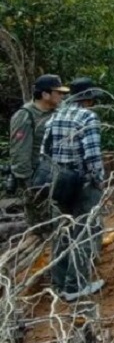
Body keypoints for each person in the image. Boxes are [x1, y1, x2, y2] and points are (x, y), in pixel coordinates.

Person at [44, 77, 106, 302]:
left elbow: (45, 151)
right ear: (88, 98)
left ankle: (59, 282)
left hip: (58, 180)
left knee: (62, 231)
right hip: (82, 183)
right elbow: (92, 155)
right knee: (85, 231)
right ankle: (76, 285)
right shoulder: (88, 117)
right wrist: (99, 180)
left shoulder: (56, 116)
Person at [9, 75, 70, 233]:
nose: (62, 96)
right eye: (58, 92)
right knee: (42, 227)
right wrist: (28, 185)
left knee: (63, 222)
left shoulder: (59, 111)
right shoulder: (25, 116)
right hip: (37, 179)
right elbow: (19, 152)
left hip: (58, 175)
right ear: (45, 95)